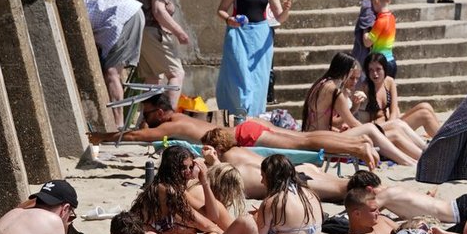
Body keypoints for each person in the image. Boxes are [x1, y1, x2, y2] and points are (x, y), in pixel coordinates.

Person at [105, 93, 378, 163]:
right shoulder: (179, 117)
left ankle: (357, 148)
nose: (145, 118)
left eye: (147, 113)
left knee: (305, 143)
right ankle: (357, 143)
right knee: (304, 137)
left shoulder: (169, 125)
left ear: (159, 112)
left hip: (244, 135)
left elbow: (138, 135)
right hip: (246, 127)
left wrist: (101, 137)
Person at [300, 53, 418, 164]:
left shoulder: (321, 84)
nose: (354, 80)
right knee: (372, 128)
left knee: (394, 127)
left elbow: (320, 120)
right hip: (323, 142)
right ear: (346, 71)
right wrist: (376, 131)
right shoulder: (334, 91)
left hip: (316, 138)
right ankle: (410, 161)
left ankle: (415, 158)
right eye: (352, 75)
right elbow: (353, 123)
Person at [213, 0, 286, 120]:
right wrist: (228, 19)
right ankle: (237, 114)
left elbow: (279, 17)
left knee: (258, 80)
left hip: (261, 37)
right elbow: (221, 9)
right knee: (238, 77)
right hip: (238, 34)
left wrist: (287, 10)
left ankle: (253, 117)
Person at [77, 0, 147, 129]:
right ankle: (117, 122)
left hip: (125, 18)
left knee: (112, 73)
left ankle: (118, 125)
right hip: (123, 18)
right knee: (112, 72)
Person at [128, 0, 190, 93]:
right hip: (152, 32)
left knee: (153, 78)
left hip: (140, 31)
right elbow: (158, 11)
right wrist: (179, 32)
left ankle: (152, 109)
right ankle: (169, 109)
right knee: (176, 74)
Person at [355, 50, 441, 138]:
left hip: (392, 123)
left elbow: (394, 111)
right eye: (371, 70)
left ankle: (441, 135)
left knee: (425, 106)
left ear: (384, 69)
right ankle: (443, 141)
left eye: (378, 69)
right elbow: (356, 111)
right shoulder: (365, 88)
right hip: (378, 131)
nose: (375, 74)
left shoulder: (389, 82)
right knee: (424, 115)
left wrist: (393, 123)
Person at [351, 0, 392, 67]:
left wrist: (365, 28)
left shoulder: (380, 21)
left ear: (376, 1)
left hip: (380, 61)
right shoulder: (392, 18)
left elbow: (367, 43)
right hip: (389, 58)